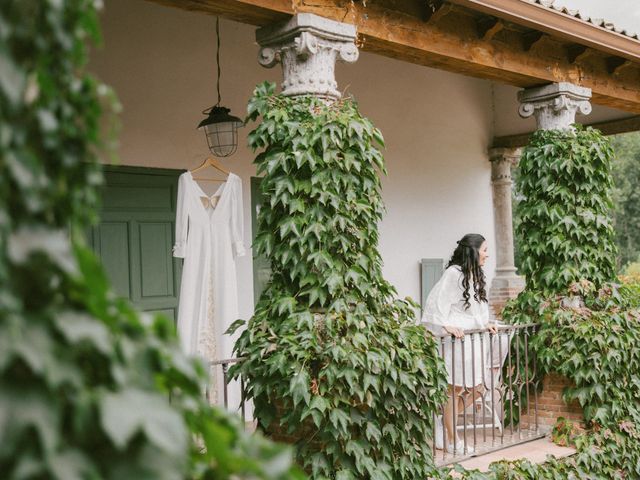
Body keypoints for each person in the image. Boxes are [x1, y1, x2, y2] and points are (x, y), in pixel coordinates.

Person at [421, 233, 497, 454]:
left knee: (478, 388)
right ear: (473, 251)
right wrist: (446, 327)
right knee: (453, 390)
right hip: (457, 342)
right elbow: (435, 303)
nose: (487, 254)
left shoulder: (476, 274)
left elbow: (476, 309)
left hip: (473, 341)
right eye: (484, 250)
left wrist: (486, 323)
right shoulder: (453, 274)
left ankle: (441, 419)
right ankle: (453, 440)